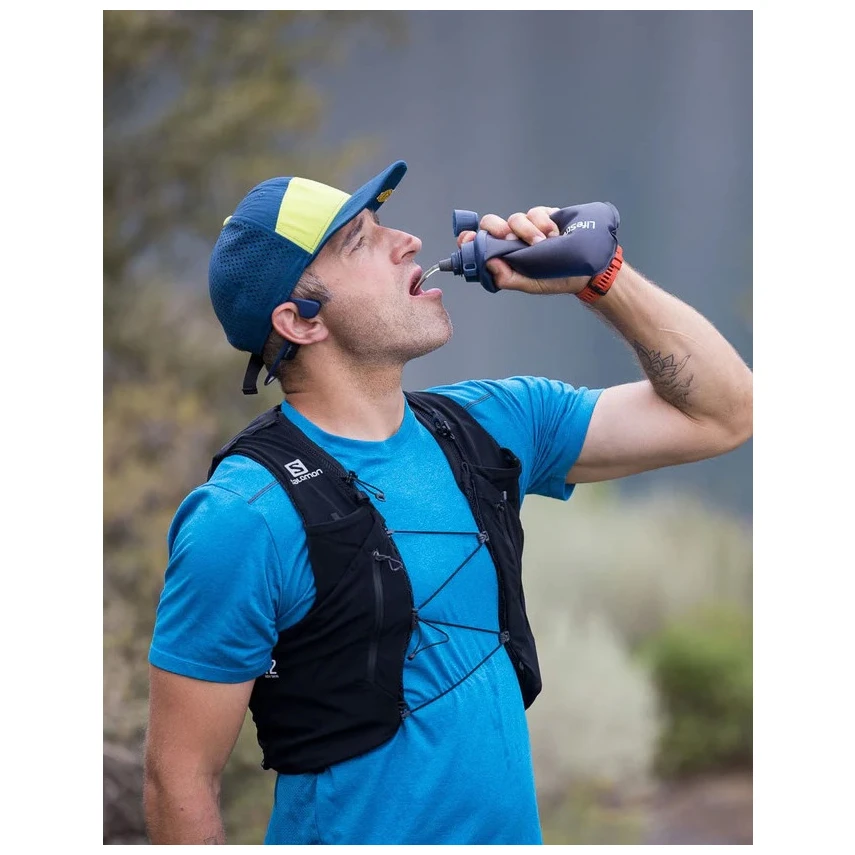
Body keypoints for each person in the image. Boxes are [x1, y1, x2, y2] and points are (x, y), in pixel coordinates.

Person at [142, 159, 752, 845]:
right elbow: (178, 779)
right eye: (361, 241)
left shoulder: (491, 424)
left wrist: (603, 279)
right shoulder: (242, 515)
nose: (406, 241)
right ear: (300, 320)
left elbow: (723, 414)